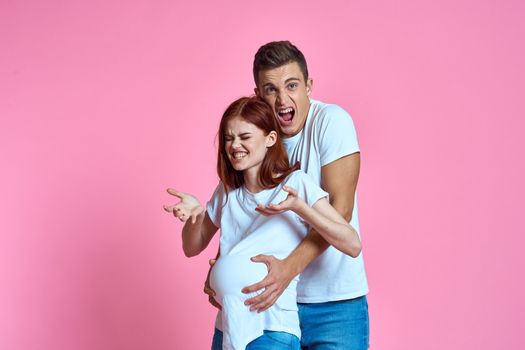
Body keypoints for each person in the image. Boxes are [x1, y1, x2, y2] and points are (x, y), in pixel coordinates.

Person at [206, 41, 370, 349]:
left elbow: (341, 210)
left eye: (292, 85)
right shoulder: (255, 137)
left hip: (333, 303)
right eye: (270, 89)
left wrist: (287, 271)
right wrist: (223, 269)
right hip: (269, 306)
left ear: (308, 86)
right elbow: (242, 213)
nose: (283, 99)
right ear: (257, 94)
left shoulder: (330, 122)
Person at [164, 96, 362, 350]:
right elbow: (191, 247)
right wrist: (194, 218)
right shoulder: (226, 191)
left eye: (245, 137)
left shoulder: (295, 184)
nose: (235, 145)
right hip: (226, 326)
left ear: (270, 139)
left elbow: (352, 244)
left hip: (270, 329)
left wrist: (301, 208)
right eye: (228, 137)